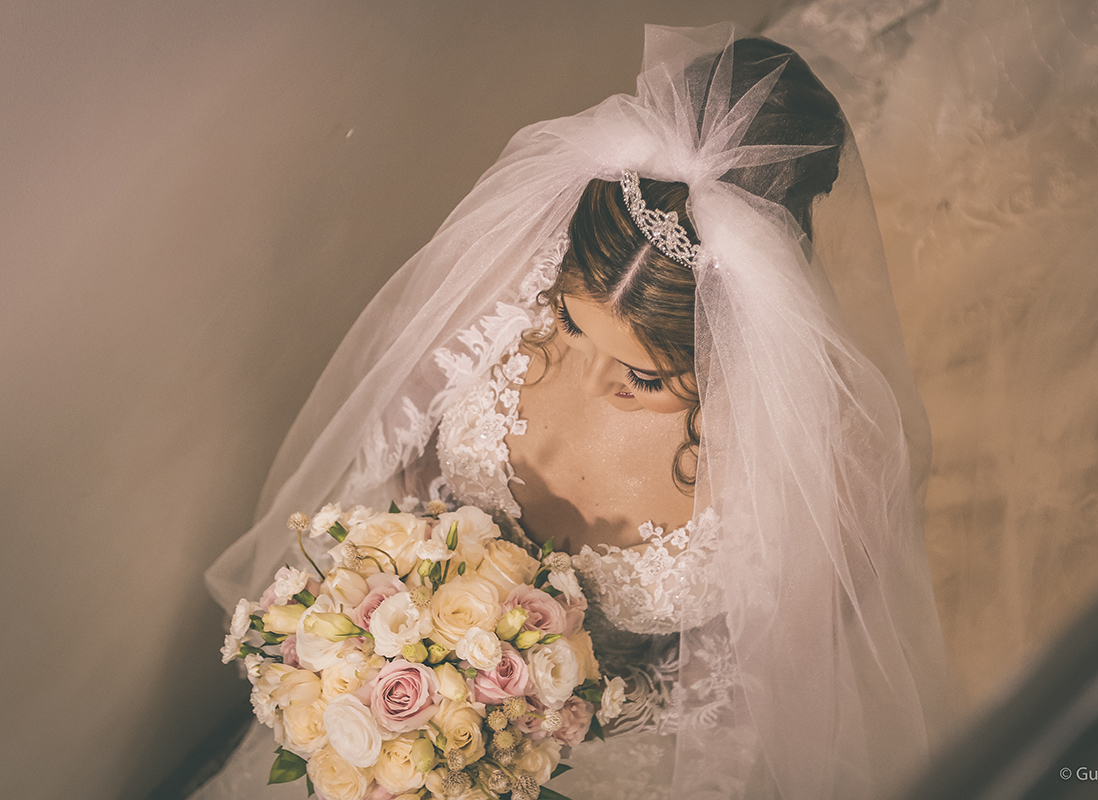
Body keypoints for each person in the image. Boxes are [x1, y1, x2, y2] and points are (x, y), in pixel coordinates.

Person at [200, 23, 946, 800]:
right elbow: (389, 451)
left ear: (732, 346)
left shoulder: (824, 464)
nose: (589, 384)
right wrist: (405, 616)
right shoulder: (497, 298)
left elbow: (770, 678)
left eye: (642, 377)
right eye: (570, 324)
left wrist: (563, 713)